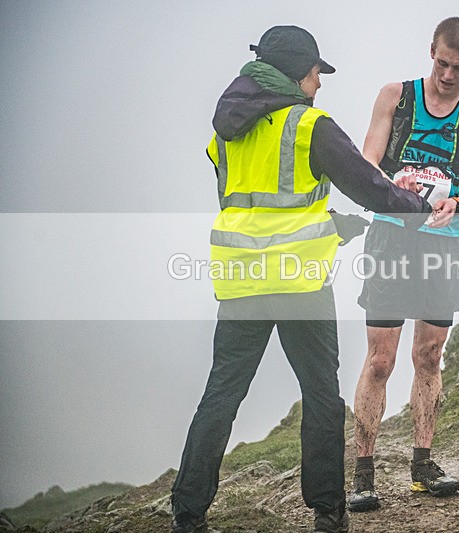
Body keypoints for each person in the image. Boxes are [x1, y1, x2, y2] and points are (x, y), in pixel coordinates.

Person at [169, 25, 431, 533]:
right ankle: (329, 514)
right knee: (320, 395)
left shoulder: (224, 134)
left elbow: (254, 207)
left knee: (220, 396)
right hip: (300, 287)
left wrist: (334, 227)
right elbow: (368, 185)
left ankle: (188, 513)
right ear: (296, 73)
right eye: (316, 73)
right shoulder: (311, 126)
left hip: (241, 281)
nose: (319, 83)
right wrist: (416, 206)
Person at [349, 17, 459, 512]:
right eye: (442, 63)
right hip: (390, 237)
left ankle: (422, 465)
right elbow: (368, 160)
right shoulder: (396, 96)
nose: (449, 75)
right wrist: (395, 187)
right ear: (430, 50)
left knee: (429, 357)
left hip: (442, 242)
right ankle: (363, 474)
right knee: (381, 361)